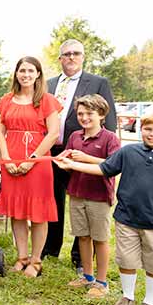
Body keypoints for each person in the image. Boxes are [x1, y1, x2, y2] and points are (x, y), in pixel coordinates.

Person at [55, 110, 153, 305]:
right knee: (126, 260)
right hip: (126, 219)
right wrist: (72, 165)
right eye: (148, 129)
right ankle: (127, 297)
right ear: (141, 130)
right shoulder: (129, 152)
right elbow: (104, 169)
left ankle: (149, 302)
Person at [44, 39, 117, 273]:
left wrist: (103, 150)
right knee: (54, 200)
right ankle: (50, 247)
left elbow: (110, 119)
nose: (71, 57)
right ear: (60, 58)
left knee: (85, 200)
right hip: (54, 152)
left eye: (76, 53)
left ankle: (79, 258)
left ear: (83, 56)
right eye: (66, 54)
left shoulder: (98, 82)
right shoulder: (48, 84)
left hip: (86, 151)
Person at [0, 56, 61, 278]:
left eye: (30, 71)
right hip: (11, 160)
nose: (25, 75)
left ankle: (36, 260)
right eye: (21, 70)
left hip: (37, 161)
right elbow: (0, 132)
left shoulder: (47, 100)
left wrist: (30, 160)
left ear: (38, 74)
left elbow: (53, 133)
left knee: (38, 212)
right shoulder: (6, 100)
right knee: (17, 211)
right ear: (16, 74)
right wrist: (6, 158)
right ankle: (21, 256)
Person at [59, 94, 120, 298]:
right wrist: (63, 162)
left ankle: (102, 282)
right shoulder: (75, 136)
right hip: (76, 193)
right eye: (80, 113)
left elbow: (113, 166)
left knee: (100, 239)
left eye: (90, 114)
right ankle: (87, 275)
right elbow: (69, 163)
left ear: (101, 115)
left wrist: (86, 159)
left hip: (99, 197)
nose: (84, 118)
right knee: (83, 237)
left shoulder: (110, 138)